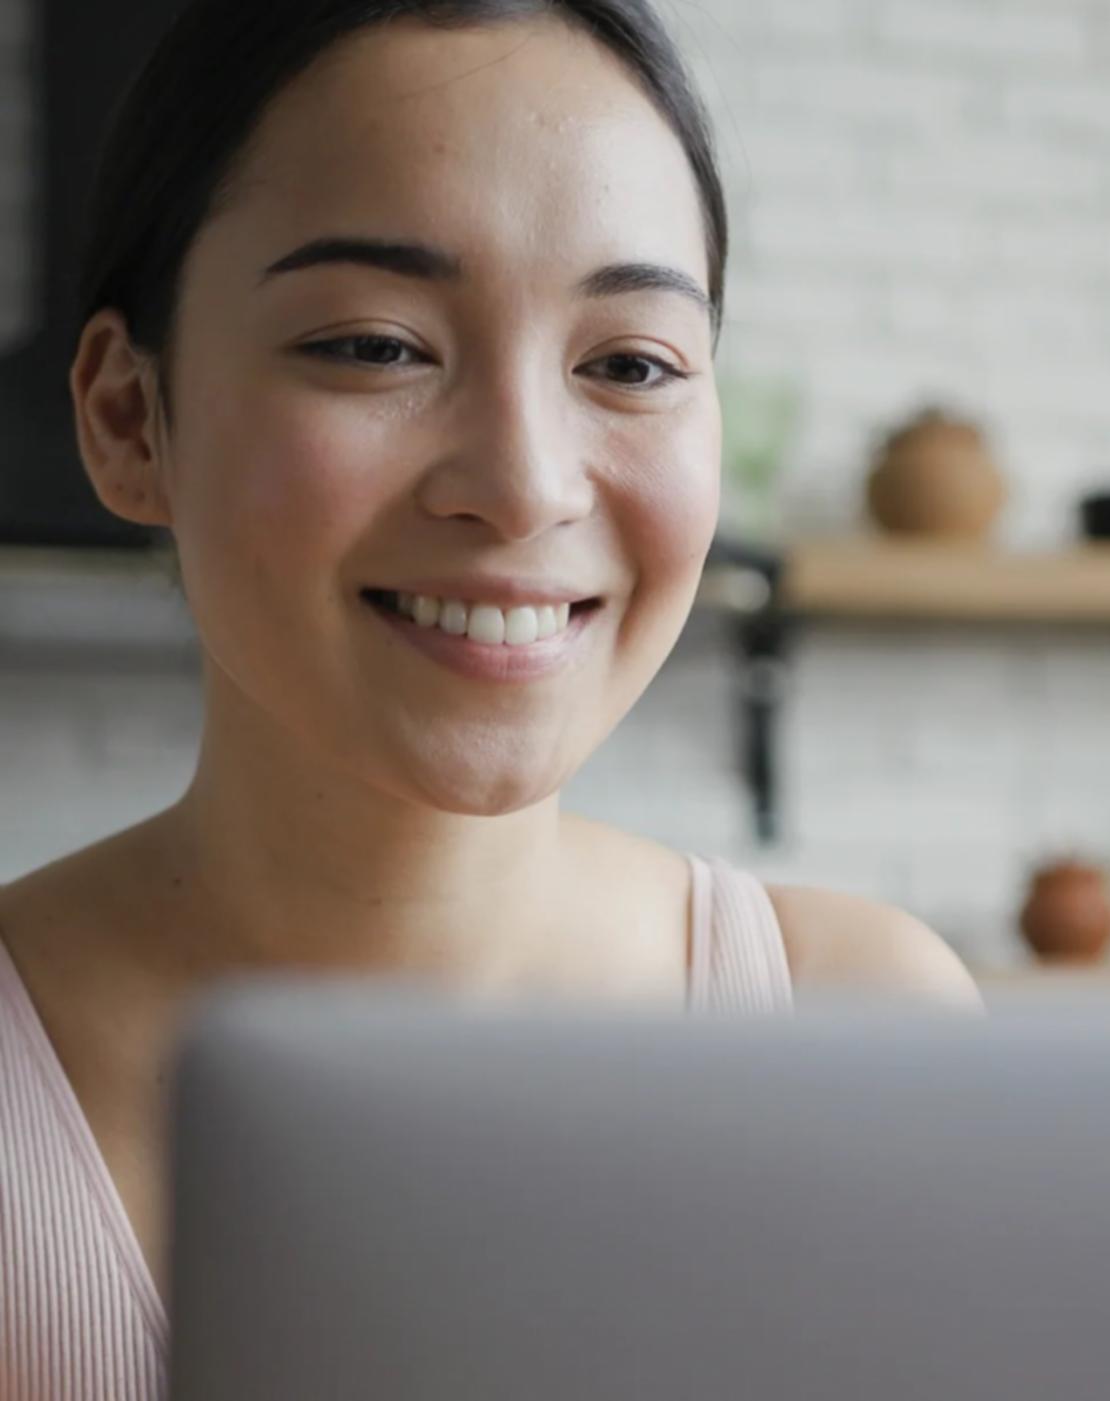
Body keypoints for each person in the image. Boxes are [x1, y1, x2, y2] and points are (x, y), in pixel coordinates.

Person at [0, 2, 982, 1395]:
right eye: (375, 345)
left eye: (628, 364)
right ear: (125, 418)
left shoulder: (861, 1027)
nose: (524, 480)